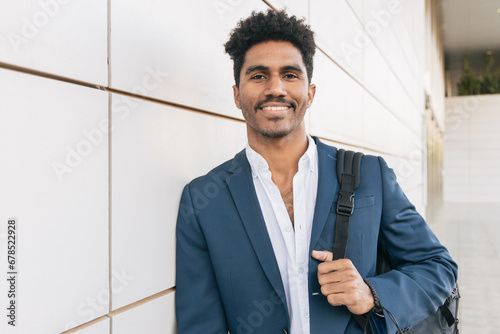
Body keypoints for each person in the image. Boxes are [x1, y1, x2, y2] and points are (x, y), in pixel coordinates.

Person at [175, 9, 457, 334]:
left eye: (290, 75)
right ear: (237, 95)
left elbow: (438, 266)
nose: (275, 88)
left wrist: (372, 294)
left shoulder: (370, 175)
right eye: (258, 75)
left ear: (309, 93)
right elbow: (200, 325)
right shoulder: (203, 200)